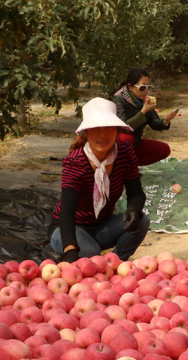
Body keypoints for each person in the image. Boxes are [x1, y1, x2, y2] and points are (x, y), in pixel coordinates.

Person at [48, 98, 150, 263]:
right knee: (91, 252)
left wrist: (133, 209)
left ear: (116, 131)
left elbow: (137, 193)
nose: (103, 135)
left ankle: (115, 264)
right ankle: (89, 258)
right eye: (96, 128)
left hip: (102, 226)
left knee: (142, 220)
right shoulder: (76, 162)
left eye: (108, 127)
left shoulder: (125, 153)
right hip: (71, 228)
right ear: (86, 132)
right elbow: (66, 212)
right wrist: (70, 250)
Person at [113, 68, 179, 167]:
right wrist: (143, 111)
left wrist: (166, 120)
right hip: (119, 145)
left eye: (148, 87)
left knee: (163, 150)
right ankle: (121, 167)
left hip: (135, 142)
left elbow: (154, 123)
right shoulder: (119, 99)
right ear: (130, 87)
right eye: (142, 88)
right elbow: (124, 127)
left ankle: (130, 166)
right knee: (127, 138)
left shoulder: (145, 99)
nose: (146, 91)